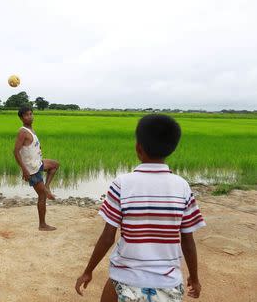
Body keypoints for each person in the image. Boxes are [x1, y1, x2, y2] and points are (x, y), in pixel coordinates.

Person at [75, 114, 206, 301]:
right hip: (168, 282)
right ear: (172, 149)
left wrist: (88, 271)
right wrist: (194, 278)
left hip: (126, 277)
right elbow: (187, 241)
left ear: (138, 148)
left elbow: (107, 237)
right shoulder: (182, 186)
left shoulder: (122, 184)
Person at [13, 106, 59, 231]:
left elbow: (31, 147)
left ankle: (47, 187)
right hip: (32, 170)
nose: (30, 116)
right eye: (27, 115)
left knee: (55, 165)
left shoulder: (31, 129)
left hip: (37, 163)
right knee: (42, 196)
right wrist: (24, 170)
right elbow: (16, 152)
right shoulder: (23, 132)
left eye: (31, 114)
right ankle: (42, 225)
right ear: (22, 118)